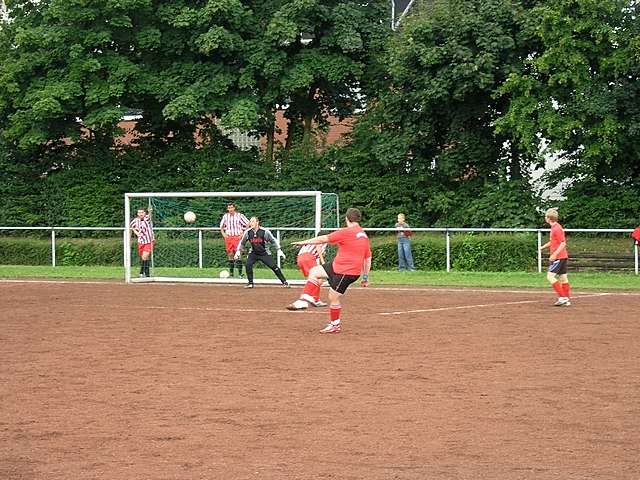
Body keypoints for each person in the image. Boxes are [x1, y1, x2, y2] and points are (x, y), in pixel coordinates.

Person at [287, 207, 372, 334]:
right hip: (338, 266)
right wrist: (365, 277)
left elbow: (322, 239)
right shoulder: (363, 234)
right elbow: (368, 258)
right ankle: (306, 299)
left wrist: (303, 242)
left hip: (346, 272)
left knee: (333, 297)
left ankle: (335, 325)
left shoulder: (346, 232)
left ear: (346, 219)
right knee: (315, 272)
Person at [234, 216, 289, 288]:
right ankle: (250, 283)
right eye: (250, 221)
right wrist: (238, 251)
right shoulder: (248, 232)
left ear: (257, 222)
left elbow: (273, 241)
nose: (251, 223)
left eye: (253, 221)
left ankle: (284, 282)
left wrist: (279, 250)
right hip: (253, 253)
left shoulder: (265, 232)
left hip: (264, 253)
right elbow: (242, 243)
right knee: (248, 264)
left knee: (274, 267)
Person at [540, 207, 571, 306]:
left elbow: (563, 243)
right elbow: (554, 241)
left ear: (549, 218)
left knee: (550, 276)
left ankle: (562, 297)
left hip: (559, 257)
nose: (545, 218)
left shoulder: (556, 228)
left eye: (546, 216)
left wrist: (555, 254)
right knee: (563, 278)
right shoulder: (555, 227)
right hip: (562, 256)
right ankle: (566, 299)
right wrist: (543, 247)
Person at [220, 202, 249, 277]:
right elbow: (221, 226)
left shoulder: (239, 216)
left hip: (237, 237)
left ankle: (240, 273)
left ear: (234, 208)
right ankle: (232, 273)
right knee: (230, 255)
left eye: (231, 207)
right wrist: (224, 234)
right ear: (227, 209)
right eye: (229, 208)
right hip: (229, 237)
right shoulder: (225, 216)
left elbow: (248, 224)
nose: (230, 209)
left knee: (238, 254)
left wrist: (242, 234)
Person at [296, 242, 328, 307]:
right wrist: (322, 261)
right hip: (308, 258)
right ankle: (314, 299)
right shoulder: (323, 240)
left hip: (299, 258)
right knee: (319, 278)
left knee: (314, 278)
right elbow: (318, 248)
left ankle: (313, 298)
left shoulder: (312, 240)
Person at [129, 206, 155, 278]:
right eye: (139, 212)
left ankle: (141, 272)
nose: (140, 214)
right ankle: (147, 274)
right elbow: (130, 228)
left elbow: (150, 215)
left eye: (142, 212)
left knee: (145, 256)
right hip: (141, 242)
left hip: (149, 241)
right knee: (145, 258)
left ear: (144, 213)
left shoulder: (147, 218)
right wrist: (131, 237)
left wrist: (150, 211)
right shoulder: (135, 221)